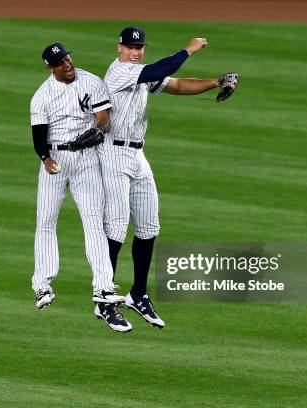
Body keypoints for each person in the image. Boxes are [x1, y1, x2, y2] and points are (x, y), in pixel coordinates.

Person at [101, 27, 234, 328]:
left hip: (137, 155)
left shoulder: (142, 74)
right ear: (119, 48)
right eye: (130, 47)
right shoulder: (119, 71)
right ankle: (104, 298)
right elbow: (164, 68)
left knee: (149, 225)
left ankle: (138, 294)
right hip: (112, 155)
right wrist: (188, 50)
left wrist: (215, 82)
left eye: (140, 47)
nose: (135, 52)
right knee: (118, 226)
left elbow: (177, 85)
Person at [30, 42, 132, 332]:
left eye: (68, 58)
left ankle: (103, 286)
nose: (67, 64)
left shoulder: (91, 81)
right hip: (56, 158)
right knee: (46, 222)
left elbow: (103, 119)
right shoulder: (41, 97)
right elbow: (38, 136)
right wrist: (45, 158)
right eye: (60, 62)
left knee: (94, 223)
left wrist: (98, 131)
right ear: (50, 68)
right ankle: (42, 285)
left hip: (86, 160)